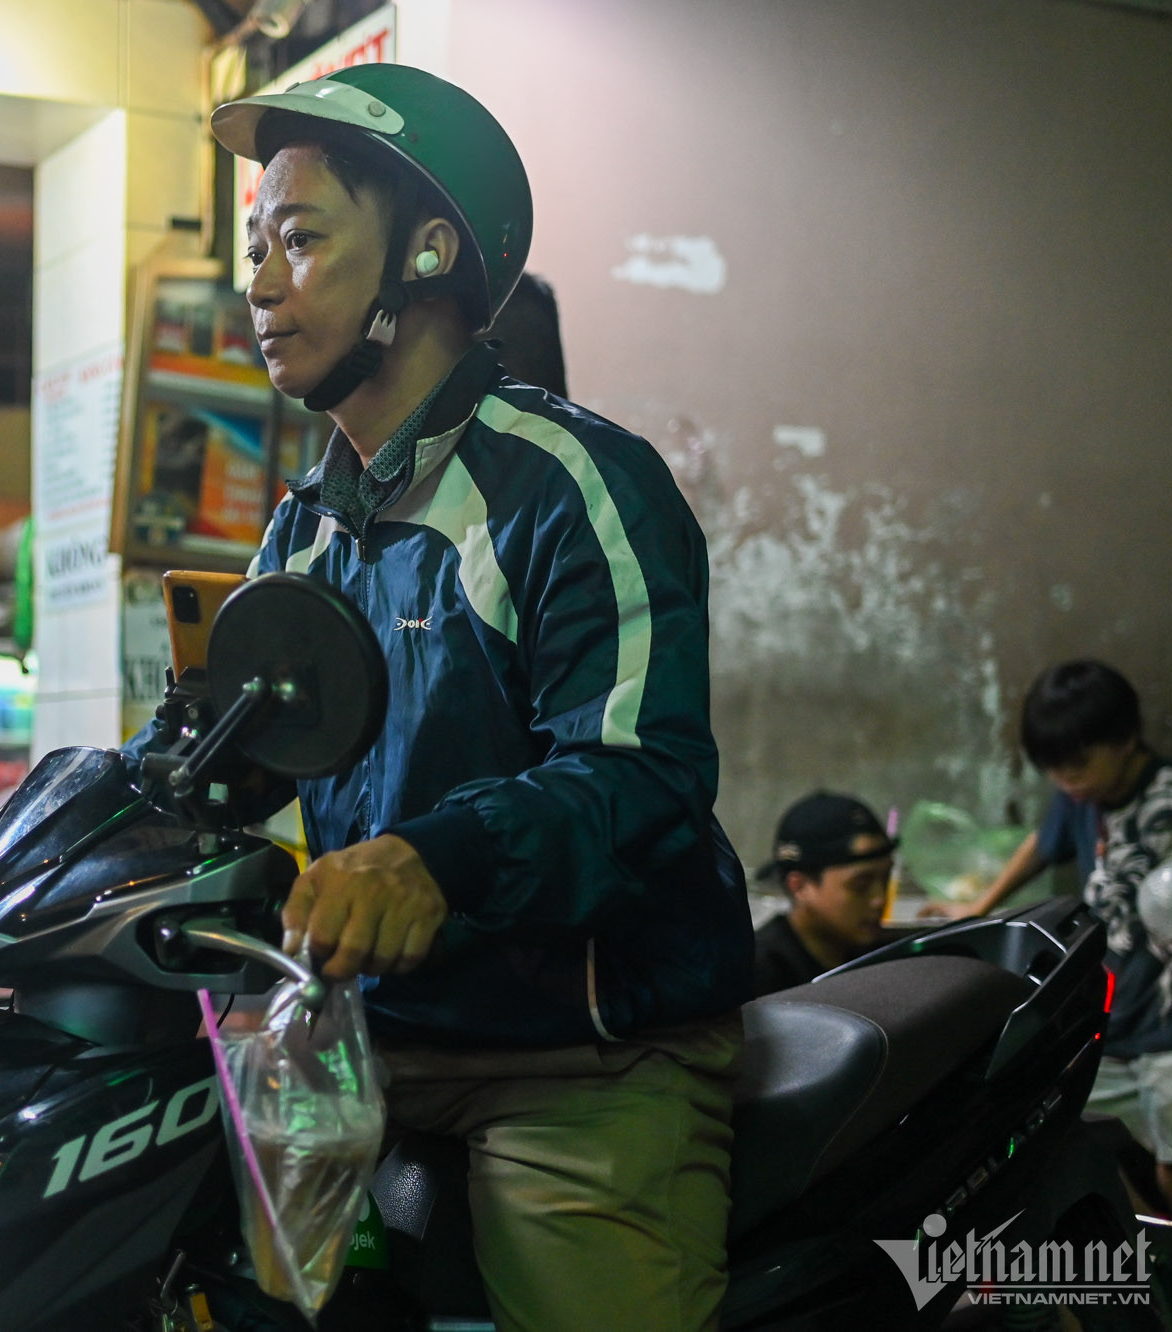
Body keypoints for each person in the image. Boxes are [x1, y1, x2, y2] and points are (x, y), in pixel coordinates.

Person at [204, 64, 753, 1330]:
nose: (261, 283)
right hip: (362, 1039)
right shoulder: (303, 529)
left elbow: (641, 770)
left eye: (300, 239)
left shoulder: (571, 484)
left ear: (426, 253)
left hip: (573, 1057)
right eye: (255, 247)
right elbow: (234, 751)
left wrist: (431, 861)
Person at [937, 661, 1172, 1198]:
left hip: (1166, 1026)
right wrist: (980, 905)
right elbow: (1042, 847)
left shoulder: (1165, 800)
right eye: (1054, 771)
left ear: (1126, 739)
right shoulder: (1079, 797)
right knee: (1067, 1128)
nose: (1066, 783)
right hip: (1109, 1017)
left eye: (1078, 766)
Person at [750, 793, 895, 995]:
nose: (879, 900)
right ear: (799, 887)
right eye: (860, 885)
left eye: (886, 879)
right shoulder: (758, 975)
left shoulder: (880, 958)